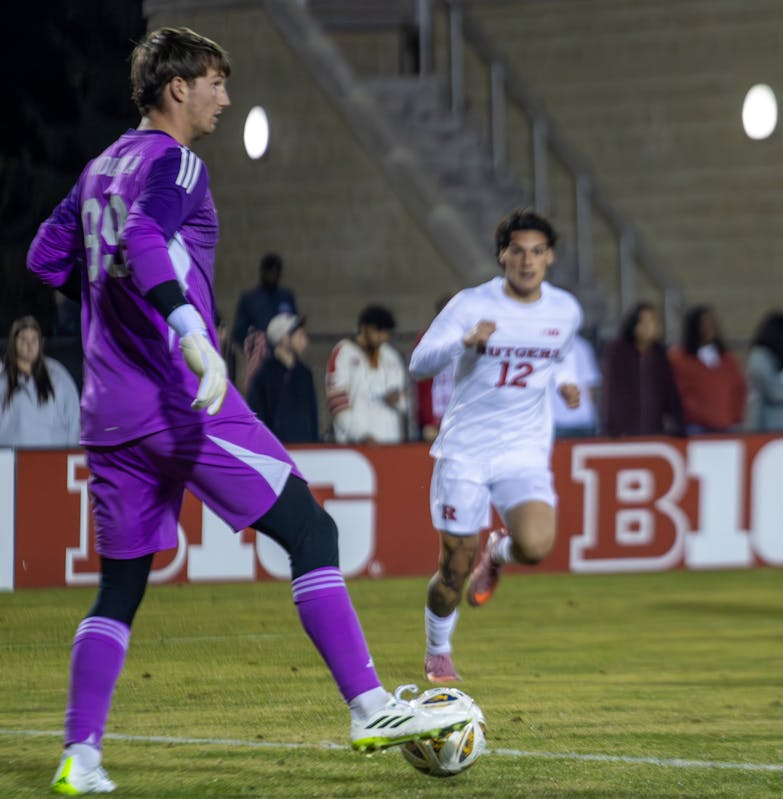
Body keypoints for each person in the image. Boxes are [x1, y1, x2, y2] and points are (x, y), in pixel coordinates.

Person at [26, 27, 469, 796]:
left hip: (108, 412)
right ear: (177, 90)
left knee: (120, 587)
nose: (225, 99)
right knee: (311, 528)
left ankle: (80, 755)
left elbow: (46, 258)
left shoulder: (100, 168)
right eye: (215, 84)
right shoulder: (177, 162)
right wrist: (189, 334)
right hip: (180, 398)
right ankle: (368, 706)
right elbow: (143, 236)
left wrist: (120, 314)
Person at [409, 209, 582, 684]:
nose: (528, 262)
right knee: (453, 569)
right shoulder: (471, 304)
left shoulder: (564, 310)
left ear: (550, 257)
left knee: (536, 544)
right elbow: (419, 363)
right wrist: (464, 343)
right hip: (465, 449)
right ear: (503, 254)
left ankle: (498, 554)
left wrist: (567, 383)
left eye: (538, 252)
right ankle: (438, 649)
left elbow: (561, 356)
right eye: (518, 251)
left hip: (523, 449)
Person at [325, 304, 408, 444]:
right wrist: (359, 435)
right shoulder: (344, 352)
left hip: (390, 441)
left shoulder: (391, 356)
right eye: (378, 330)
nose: (382, 336)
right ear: (364, 328)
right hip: (356, 443)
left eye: (386, 331)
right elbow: (336, 401)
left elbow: (405, 400)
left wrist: (397, 400)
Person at [601, 302, 685, 437]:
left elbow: (669, 391)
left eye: (654, 322)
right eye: (646, 322)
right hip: (625, 431)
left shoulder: (660, 354)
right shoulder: (618, 351)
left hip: (655, 428)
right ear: (634, 325)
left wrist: (677, 424)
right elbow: (612, 391)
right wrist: (613, 427)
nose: (651, 327)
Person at [0, 315, 81, 447]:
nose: (29, 345)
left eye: (34, 340)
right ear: (14, 343)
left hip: (53, 456)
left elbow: (73, 417)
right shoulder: (3, 381)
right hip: (11, 460)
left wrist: (70, 453)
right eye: (24, 340)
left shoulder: (57, 376)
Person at [668, 304, 747, 434]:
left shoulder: (727, 358)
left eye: (712, 323)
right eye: (704, 323)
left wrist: (735, 417)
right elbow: (673, 392)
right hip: (694, 426)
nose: (709, 328)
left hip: (725, 425)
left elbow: (738, 388)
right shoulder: (678, 358)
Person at [246, 313, 319, 443]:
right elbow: (258, 418)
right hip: (277, 452)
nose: (305, 339)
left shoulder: (305, 374)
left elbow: (312, 416)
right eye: (300, 335)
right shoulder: (263, 376)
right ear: (284, 338)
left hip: (306, 452)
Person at [232, 252, 297, 391]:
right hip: (260, 361)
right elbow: (239, 332)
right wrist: (254, 347)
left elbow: (295, 326)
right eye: (270, 272)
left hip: (284, 357)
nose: (273, 276)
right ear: (262, 272)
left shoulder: (286, 296)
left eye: (276, 272)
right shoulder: (250, 299)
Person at [414, 294, 456, 443]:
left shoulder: (469, 339)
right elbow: (422, 385)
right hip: (435, 418)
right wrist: (428, 421)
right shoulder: (427, 338)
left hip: (459, 416)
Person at [549, 332, 601, 438]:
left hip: (560, 420)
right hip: (580, 420)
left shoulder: (543, 345)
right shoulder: (582, 346)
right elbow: (591, 388)